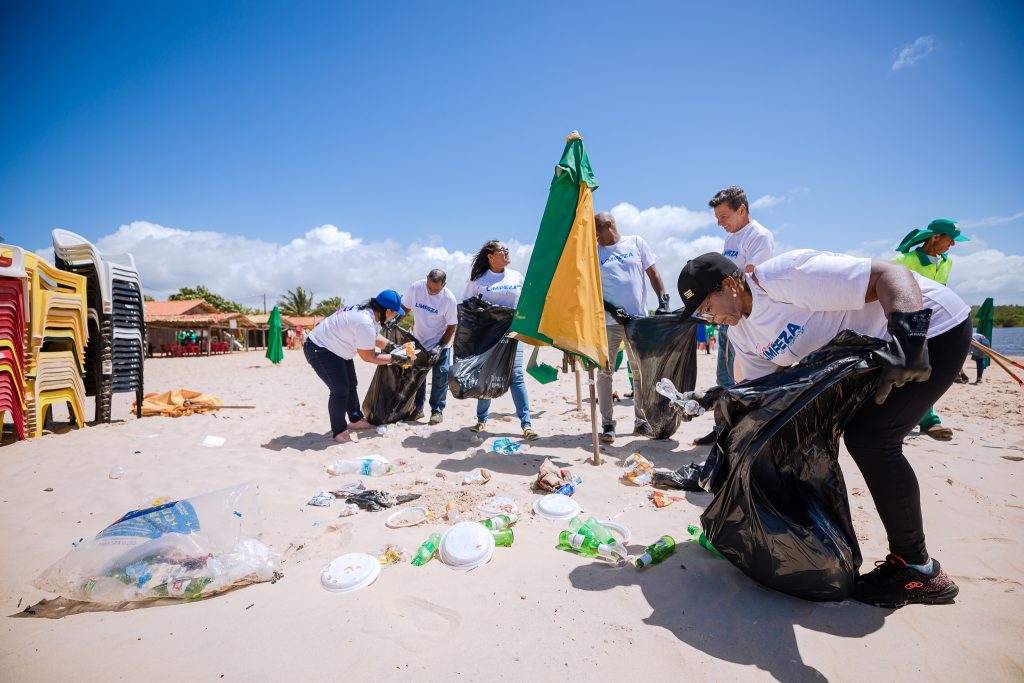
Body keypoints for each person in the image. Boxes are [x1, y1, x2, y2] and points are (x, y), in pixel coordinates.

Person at [676, 249, 971, 608]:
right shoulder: (742, 336)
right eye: (703, 316)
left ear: (730, 284)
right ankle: (911, 565)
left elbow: (892, 275)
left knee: (872, 440)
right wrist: (719, 403)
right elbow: (763, 397)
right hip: (874, 355)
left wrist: (910, 338)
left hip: (930, 330)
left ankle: (918, 570)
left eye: (708, 308)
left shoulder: (783, 278)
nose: (711, 320)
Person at [694, 186, 775, 446]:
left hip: (746, 320)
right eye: (717, 217)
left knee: (742, 377)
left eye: (724, 216)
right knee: (723, 376)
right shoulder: (731, 239)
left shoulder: (759, 236)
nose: (720, 223)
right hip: (726, 317)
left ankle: (740, 431)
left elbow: (748, 280)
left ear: (741, 210)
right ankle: (721, 428)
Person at [594, 212, 669, 442]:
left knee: (640, 372)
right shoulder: (594, 253)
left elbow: (653, 273)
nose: (595, 237)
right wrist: (611, 308)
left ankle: (641, 421)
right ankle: (608, 425)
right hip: (609, 323)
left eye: (597, 232)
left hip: (637, 322)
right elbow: (592, 289)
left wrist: (663, 300)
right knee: (605, 372)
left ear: (609, 225)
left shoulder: (636, 243)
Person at [892, 218, 970, 441]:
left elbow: (942, 291)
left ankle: (927, 420)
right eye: (950, 239)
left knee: (932, 370)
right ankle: (921, 419)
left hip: (936, 324)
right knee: (909, 371)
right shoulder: (903, 260)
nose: (953, 244)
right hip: (908, 324)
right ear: (935, 237)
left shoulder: (946, 262)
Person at [304, 290, 410, 444]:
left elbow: (373, 336)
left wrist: (392, 347)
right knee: (340, 390)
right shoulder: (364, 321)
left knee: (351, 384)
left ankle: (355, 420)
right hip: (319, 348)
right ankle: (339, 431)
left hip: (337, 349)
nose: (394, 316)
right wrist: (395, 358)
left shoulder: (370, 315)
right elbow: (368, 357)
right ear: (388, 311)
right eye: (395, 313)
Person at [463, 240, 537, 441]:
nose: (506, 252)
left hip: (513, 333)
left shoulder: (516, 276)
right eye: (502, 250)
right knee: (486, 375)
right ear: (490, 256)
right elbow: (468, 308)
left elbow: (527, 302)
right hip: (487, 336)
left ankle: (526, 424)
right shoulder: (478, 280)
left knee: (516, 375)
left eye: (507, 249)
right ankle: (481, 419)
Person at [403, 268, 459, 425]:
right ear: (426, 278)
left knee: (440, 378)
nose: (431, 292)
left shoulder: (449, 299)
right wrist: (394, 322)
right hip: (418, 342)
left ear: (444, 284)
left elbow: (451, 327)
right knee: (418, 377)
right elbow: (405, 309)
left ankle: (437, 411)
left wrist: (439, 347)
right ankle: (418, 409)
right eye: (429, 288)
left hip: (441, 343)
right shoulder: (416, 288)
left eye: (436, 290)